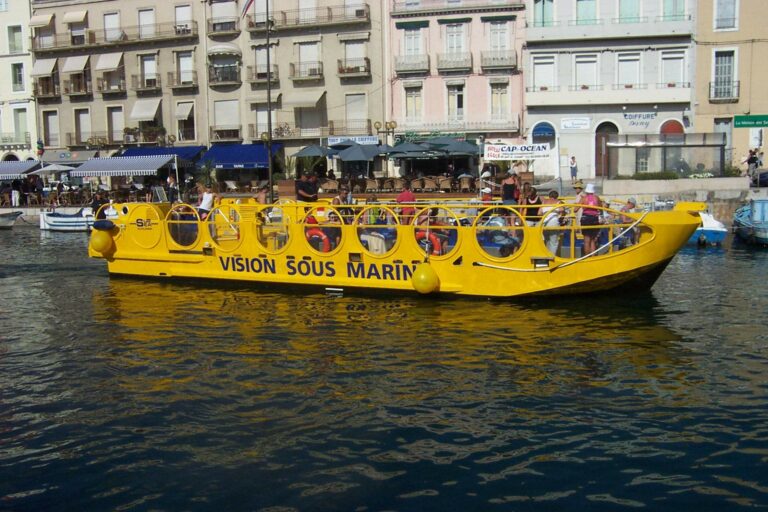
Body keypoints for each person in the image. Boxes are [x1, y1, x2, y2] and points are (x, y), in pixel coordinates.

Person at [578, 183, 602, 256]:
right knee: (593, 240)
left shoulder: (584, 198)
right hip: (594, 218)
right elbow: (601, 208)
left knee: (586, 240)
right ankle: (593, 257)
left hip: (586, 219)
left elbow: (575, 209)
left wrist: (581, 204)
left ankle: (587, 257)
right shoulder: (597, 198)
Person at [541, 190, 564, 254]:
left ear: (549, 196)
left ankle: (546, 255)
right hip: (554, 223)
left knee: (547, 240)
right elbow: (562, 210)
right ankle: (552, 256)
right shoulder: (558, 202)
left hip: (544, 223)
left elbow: (539, 213)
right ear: (557, 196)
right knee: (554, 242)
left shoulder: (544, 202)